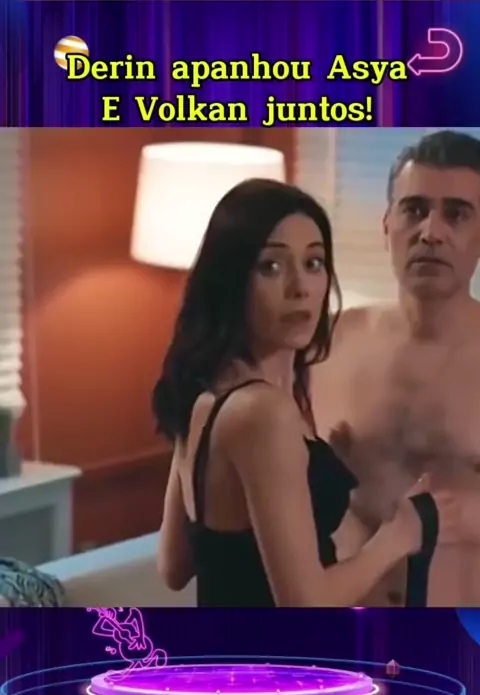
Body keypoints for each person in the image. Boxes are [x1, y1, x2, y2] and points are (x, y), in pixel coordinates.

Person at [153, 178, 449, 608]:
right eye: (271, 267)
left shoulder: (206, 397)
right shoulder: (264, 414)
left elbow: (174, 565)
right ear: (231, 279)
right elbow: (304, 606)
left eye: (314, 263)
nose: (300, 287)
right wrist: (398, 536)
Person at [311, 129, 480, 607]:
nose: (431, 232)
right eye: (414, 209)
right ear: (387, 225)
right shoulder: (328, 342)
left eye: (456, 214)